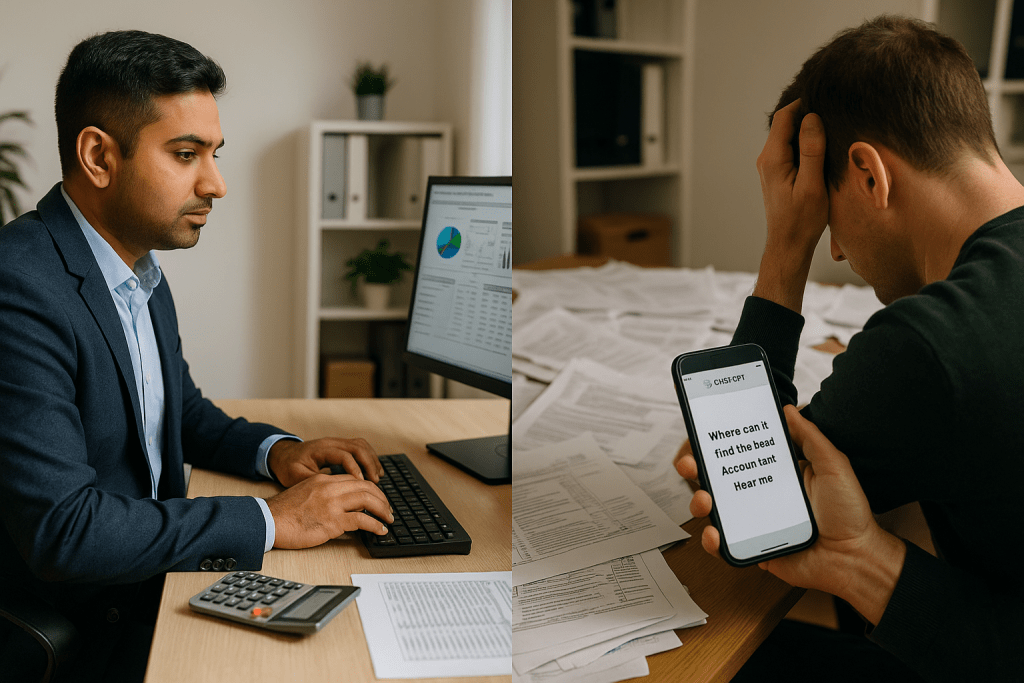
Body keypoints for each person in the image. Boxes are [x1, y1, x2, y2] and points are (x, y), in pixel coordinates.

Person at [0, 30, 393, 682]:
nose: (217, 183)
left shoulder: (135, 267)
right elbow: (64, 529)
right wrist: (271, 518)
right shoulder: (20, 286)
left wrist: (278, 453)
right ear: (99, 155)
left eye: (213, 153)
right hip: (97, 629)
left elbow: (177, 410)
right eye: (186, 154)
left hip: (157, 582)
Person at [675, 15, 1024, 682]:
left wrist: (786, 244)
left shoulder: (930, 342)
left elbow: (751, 502)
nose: (835, 247)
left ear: (868, 174)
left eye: (826, 215)